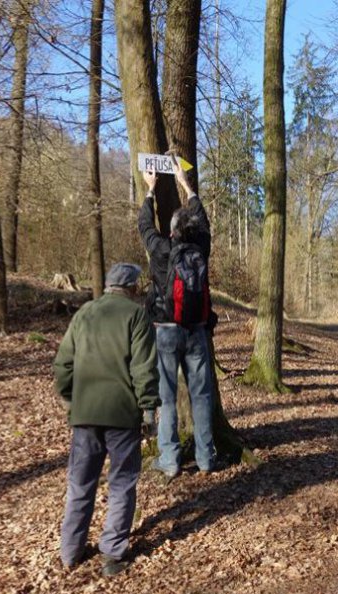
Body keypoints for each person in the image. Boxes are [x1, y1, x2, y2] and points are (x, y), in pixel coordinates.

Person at [53, 263, 159, 577]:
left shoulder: (85, 313)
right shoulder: (136, 315)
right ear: (132, 287)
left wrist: (71, 400)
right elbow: (144, 368)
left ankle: (70, 551)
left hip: (85, 416)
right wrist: (149, 410)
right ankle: (112, 554)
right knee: (122, 484)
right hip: (122, 416)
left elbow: (62, 365)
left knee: (80, 483)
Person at [138, 157, 217, 479]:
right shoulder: (201, 246)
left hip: (166, 331)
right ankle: (206, 458)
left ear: (170, 231)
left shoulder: (160, 250)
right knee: (201, 395)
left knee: (167, 398)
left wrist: (150, 190)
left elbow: (144, 227)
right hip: (197, 330)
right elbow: (203, 220)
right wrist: (187, 186)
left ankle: (169, 461)